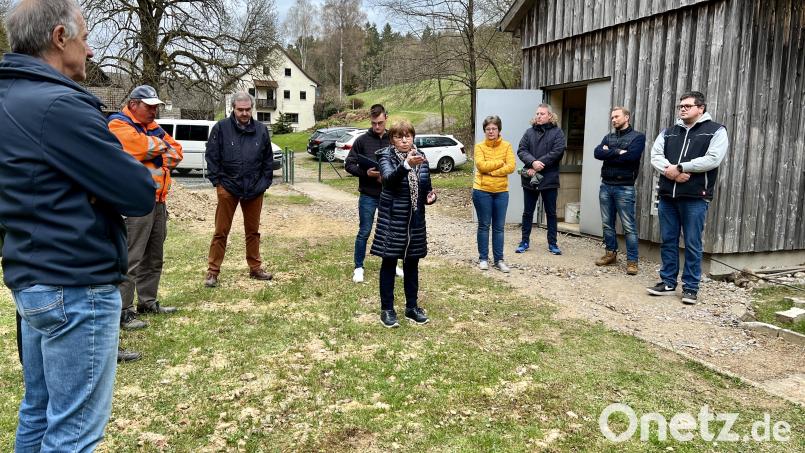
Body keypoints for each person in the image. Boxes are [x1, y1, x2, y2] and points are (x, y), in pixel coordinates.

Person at [0, 0, 155, 450]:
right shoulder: (61, 106)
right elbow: (137, 190)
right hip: (76, 284)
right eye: (85, 38)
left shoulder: (10, 99)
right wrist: (93, 185)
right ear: (59, 37)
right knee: (73, 434)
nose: (90, 51)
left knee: (37, 410)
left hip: (31, 279)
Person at [109, 85, 182, 340]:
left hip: (159, 200)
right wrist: (157, 150)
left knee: (154, 255)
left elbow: (177, 153)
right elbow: (135, 149)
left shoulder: (153, 128)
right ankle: (123, 310)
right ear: (134, 104)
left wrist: (153, 152)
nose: (154, 111)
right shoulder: (118, 124)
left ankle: (147, 301)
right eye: (149, 106)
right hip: (134, 202)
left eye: (156, 107)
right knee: (131, 258)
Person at [647, 91, 729, 304]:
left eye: (687, 106)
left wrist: (683, 167)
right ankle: (667, 282)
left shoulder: (716, 131)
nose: (682, 109)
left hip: (695, 197)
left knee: (693, 243)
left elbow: (713, 159)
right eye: (680, 106)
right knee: (668, 241)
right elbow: (655, 156)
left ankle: (691, 288)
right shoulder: (669, 132)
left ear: (701, 108)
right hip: (668, 195)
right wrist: (671, 171)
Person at [204, 92, 275, 287]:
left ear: (252, 109)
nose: (244, 113)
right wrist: (218, 183)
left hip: (254, 189)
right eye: (240, 109)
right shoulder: (221, 128)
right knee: (221, 231)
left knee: (253, 231)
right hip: (228, 187)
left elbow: (268, 160)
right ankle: (213, 271)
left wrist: (264, 183)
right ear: (233, 109)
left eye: (247, 109)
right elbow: (212, 156)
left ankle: (255, 268)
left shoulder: (261, 130)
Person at [371, 120, 437, 328]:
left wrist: (431, 196)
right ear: (393, 139)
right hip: (392, 220)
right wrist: (407, 165)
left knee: (412, 264)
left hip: (415, 221)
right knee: (389, 263)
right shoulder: (385, 156)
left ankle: (411, 307)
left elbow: (426, 186)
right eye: (399, 136)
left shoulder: (421, 158)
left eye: (408, 136)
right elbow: (388, 179)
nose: (404, 140)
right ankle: (387, 310)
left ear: (413, 138)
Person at [345, 104, 403, 283]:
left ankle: (392, 265)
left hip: (389, 193)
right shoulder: (362, 140)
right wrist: (366, 173)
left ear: (386, 117)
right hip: (368, 194)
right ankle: (358, 267)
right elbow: (349, 164)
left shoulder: (393, 140)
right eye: (373, 123)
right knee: (364, 231)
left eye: (379, 123)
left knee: (391, 231)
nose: (377, 127)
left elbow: (401, 162)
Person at [593, 107, 646, 275]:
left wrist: (609, 152)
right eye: (612, 118)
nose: (613, 120)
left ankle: (632, 261)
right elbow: (597, 153)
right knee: (607, 224)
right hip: (606, 185)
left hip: (624, 186)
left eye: (616, 117)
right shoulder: (608, 137)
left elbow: (631, 157)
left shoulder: (637, 137)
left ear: (627, 117)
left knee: (628, 226)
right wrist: (617, 152)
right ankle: (610, 254)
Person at [516, 103, 566, 255]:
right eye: (537, 114)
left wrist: (539, 164)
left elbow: (557, 151)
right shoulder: (528, 132)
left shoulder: (558, 133)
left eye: (542, 114)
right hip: (531, 178)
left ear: (550, 116)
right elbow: (521, 150)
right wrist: (532, 162)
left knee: (550, 213)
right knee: (527, 212)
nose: (538, 116)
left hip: (549, 178)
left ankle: (553, 243)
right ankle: (524, 241)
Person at [473, 115, 516, 272]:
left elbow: (511, 166)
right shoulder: (479, 147)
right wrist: (499, 163)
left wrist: (493, 172)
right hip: (482, 191)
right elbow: (481, 166)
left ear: (499, 130)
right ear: (484, 131)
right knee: (484, 225)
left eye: (494, 128)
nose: (491, 131)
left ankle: (499, 260)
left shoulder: (507, 146)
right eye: (488, 129)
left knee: (499, 227)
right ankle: (483, 258)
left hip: (501, 192)